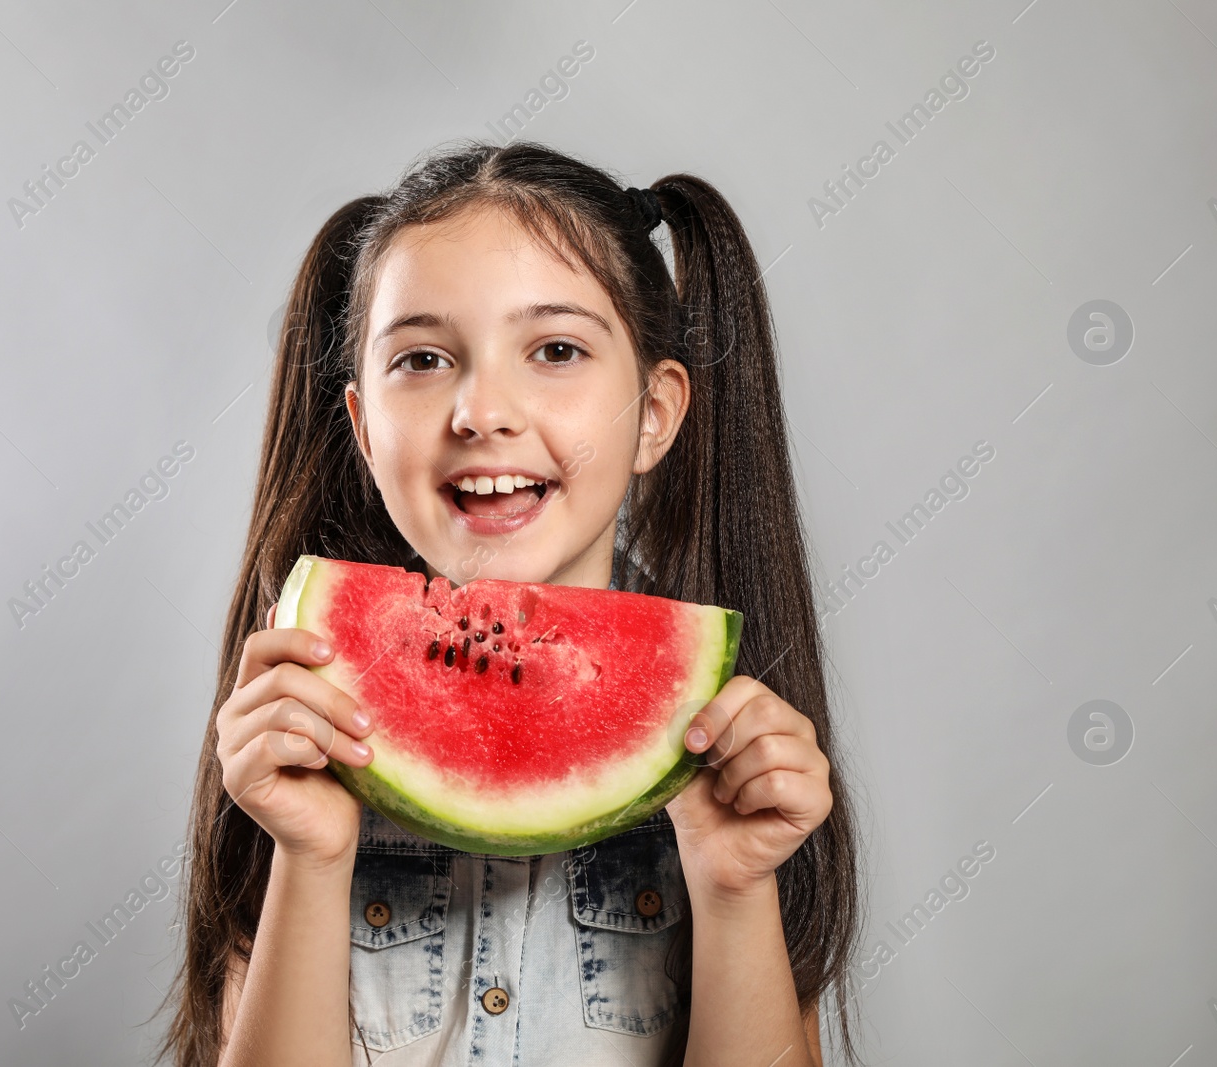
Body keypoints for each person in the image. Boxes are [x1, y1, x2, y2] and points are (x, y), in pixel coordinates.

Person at [155, 139, 862, 1067]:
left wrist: (733, 889)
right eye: (422, 358)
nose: (482, 410)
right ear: (363, 429)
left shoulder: (736, 762)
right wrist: (312, 857)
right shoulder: (301, 727)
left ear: (653, 412)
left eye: (556, 349)